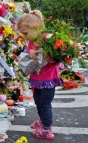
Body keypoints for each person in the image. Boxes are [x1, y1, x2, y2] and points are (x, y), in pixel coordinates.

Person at [17, 10, 61, 140]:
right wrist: (30, 51)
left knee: (45, 104)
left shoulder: (47, 39)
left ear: (36, 28)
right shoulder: (32, 40)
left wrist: (50, 57)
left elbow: (56, 57)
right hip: (37, 78)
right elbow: (30, 51)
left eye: (25, 33)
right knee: (38, 101)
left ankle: (47, 129)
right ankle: (42, 121)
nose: (24, 36)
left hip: (48, 79)